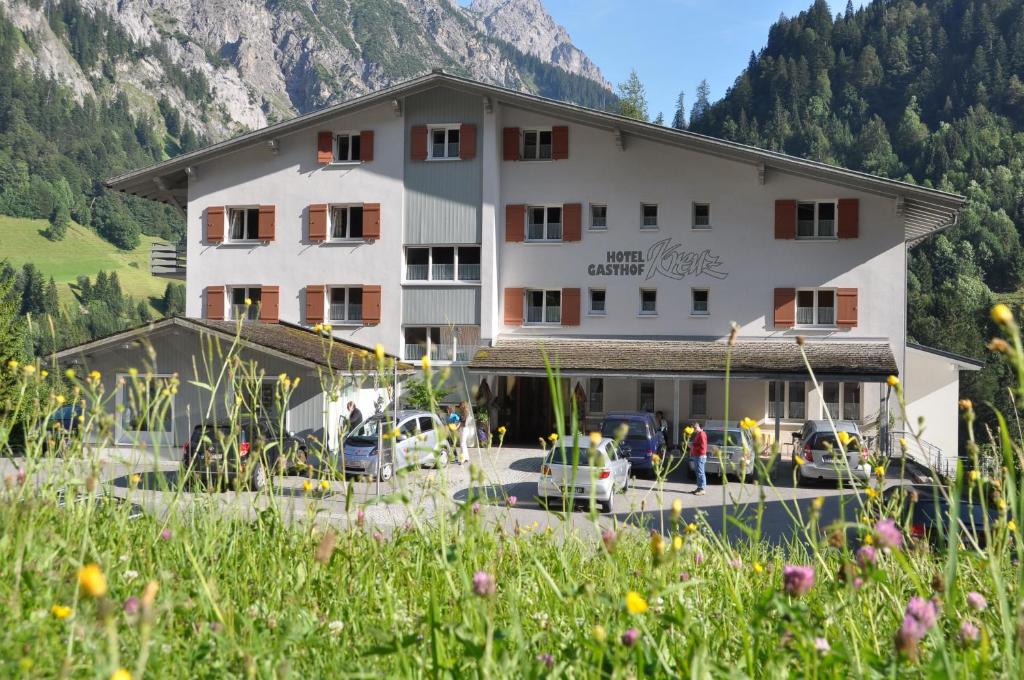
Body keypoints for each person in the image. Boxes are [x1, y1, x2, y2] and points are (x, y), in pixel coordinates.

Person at [690, 422, 707, 496]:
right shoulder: (698, 434)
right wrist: (692, 445)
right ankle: (699, 487)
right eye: (693, 428)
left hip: (700, 456)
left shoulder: (702, 434)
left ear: (699, 427)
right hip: (697, 455)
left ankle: (702, 489)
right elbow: (697, 444)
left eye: (695, 428)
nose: (694, 429)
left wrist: (693, 446)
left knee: (700, 472)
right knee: (698, 472)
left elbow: (702, 447)